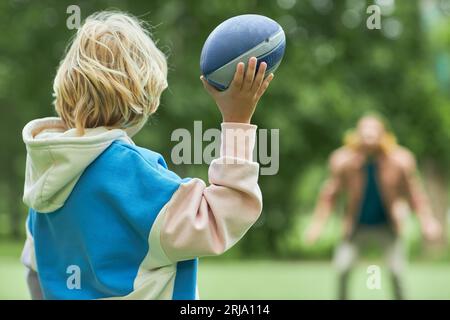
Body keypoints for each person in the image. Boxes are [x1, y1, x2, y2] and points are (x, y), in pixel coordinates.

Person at [20, 11, 274, 299]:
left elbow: (34, 273)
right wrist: (237, 121)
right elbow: (223, 216)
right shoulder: (130, 173)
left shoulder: (45, 177)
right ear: (147, 99)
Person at [305, 114, 441, 300]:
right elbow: (329, 195)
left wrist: (427, 221)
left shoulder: (400, 160)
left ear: (383, 135)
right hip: (356, 226)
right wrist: (317, 225)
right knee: (342, 268)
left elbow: (414, 194)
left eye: (374, 131)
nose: (369, 135)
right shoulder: (343, 161)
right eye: (364, 131)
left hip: (388, 225)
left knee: (396, 272)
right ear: (357, 135)